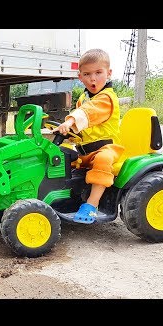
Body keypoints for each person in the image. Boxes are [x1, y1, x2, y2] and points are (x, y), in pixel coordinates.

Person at [54, 48, 125, 224]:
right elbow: (81, 122)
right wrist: (65, 131)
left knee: (103, 160)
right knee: (61, 158)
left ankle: (91, 206)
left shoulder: (106, 98)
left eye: (98, 73)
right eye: (87, 74)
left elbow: (88, 113)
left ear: (109, 73)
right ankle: (64, 199)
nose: (93, 78)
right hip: (85, 151)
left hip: (107, 148)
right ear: (80, 77)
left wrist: (70, 121)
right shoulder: (83, 99)